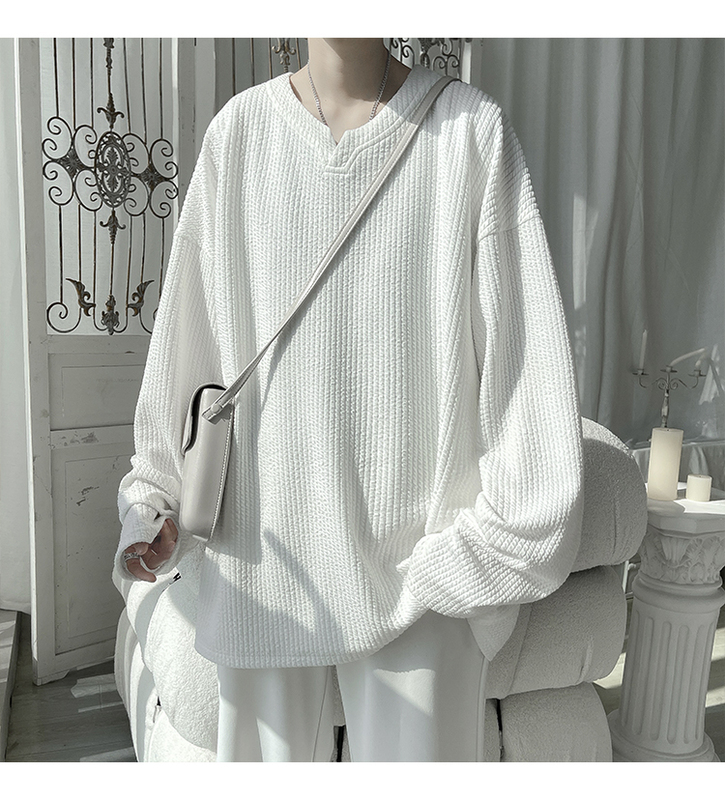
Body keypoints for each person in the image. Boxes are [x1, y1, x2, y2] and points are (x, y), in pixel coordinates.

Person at [114, 38, 584, 762]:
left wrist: (468, 559)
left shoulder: (467, 132)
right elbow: (188, 346)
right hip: (263, 566)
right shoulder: (239, 135)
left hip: (423, 581)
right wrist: (155, 502)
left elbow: (526, 376)